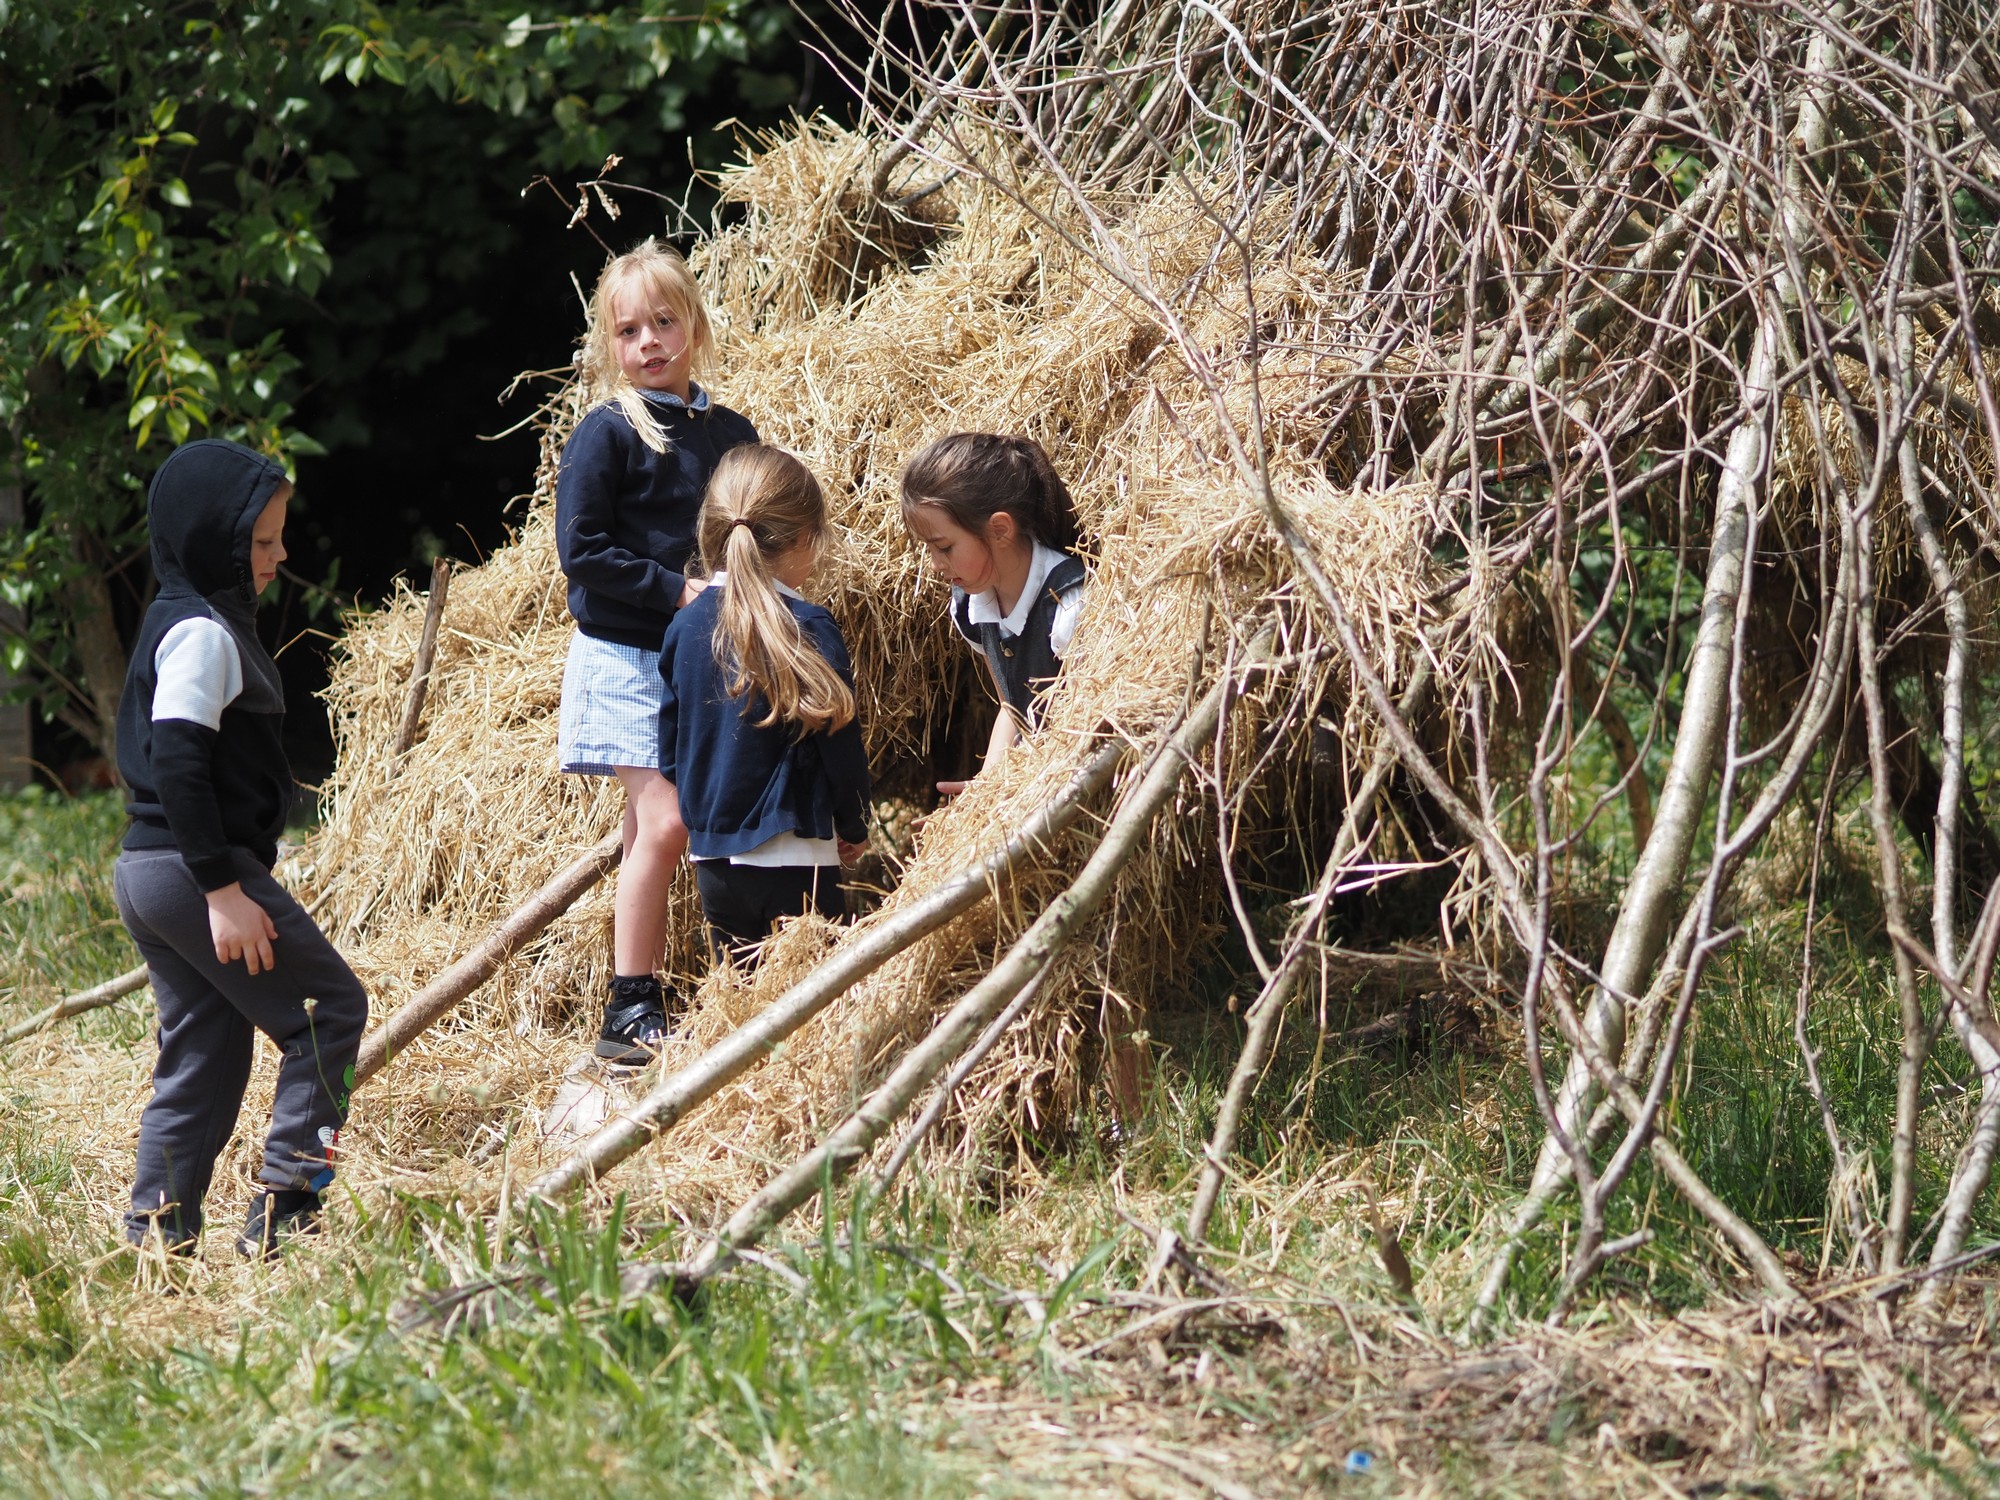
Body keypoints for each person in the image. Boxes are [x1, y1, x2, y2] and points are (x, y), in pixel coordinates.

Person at [113, 439, 369, 1259]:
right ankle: (289, 1202)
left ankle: (157, 1237)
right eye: (261, 542)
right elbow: (180, 763)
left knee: (205, 1053)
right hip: (194, 870)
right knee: (330, 1010)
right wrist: (223, 889)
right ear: (211, 541)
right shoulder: (204, 635)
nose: (280, 555)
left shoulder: (183, 621)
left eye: (279, 536)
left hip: (149, 871)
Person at [556, 237, 759, 1059]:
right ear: (610, 346)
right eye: (628, 330)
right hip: (623, 655)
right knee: (666, 821)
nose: (647, 344)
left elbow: (756, 526)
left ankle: (729, 980)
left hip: (704, 655)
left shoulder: (730, 431)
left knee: (680, 825)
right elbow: (582, 552)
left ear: (696, 328)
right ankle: (628, 1005)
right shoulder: (606, 433)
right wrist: (677, 591)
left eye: (663, 323)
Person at [659, 445, 869, 970]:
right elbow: (840, 745)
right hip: (798, 859)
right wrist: (856, 824)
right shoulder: (811, 626)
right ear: (803, 539)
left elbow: (669, 755)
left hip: (714, 863)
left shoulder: (683, 628)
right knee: (816, 1014)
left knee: (743, 1011)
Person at [899, 433, 1087, 791]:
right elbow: (1013, 705)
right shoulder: (972, 607)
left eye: (945, 547)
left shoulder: (1068, 606)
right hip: (1035, 784)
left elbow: (1081, 731)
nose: (936, 565)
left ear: (999, 529)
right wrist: (987, 788)